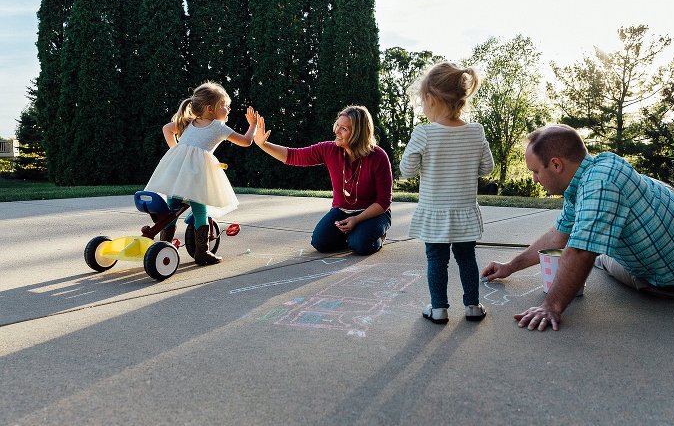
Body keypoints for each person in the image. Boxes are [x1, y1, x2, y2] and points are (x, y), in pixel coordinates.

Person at [481, 124, 674, 332]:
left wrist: (551, 305)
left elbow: (579, 252)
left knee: (600, 255)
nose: (534, 178)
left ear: (556, 164)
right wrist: (510, 266)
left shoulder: (600, 186)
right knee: (623, 209)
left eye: (536, 171)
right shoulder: (594, 172)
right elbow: (558, 236)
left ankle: (601, 251)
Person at [400, 63, 495, 324]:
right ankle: (473, 306)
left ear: (431, 99)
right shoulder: (476, 131)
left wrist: (416, 150)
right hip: (464, 211)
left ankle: (439, 308)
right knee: (467, 257)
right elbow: (488, 167)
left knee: (436, 259)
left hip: (435, 212)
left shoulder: (424, 133)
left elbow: (406, 171)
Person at [254, 105, 392, 255]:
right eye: (337, 125)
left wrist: (357, 220)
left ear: (358, 133)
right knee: (320, 242)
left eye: (344, 129)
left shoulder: (378, 157)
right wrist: (263, 144)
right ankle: (355, 236)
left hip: (374, 213)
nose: (336, 131)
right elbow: (293, 156)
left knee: (360, 245)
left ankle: (374, 235)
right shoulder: (329, 149)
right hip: (342, 211)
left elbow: (383, 202)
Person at [145, 81, 258, 265]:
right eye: (225, 105)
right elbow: (246, 141)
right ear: (210, 109)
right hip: (196, 175)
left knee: (171, 209)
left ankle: (163, 247)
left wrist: (178, 151)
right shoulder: (218, 127)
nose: (228, 109)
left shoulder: (189, 122)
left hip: (176, 172)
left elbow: (166, 129)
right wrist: (252, 125)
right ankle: (202, 252)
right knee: (200, 210)